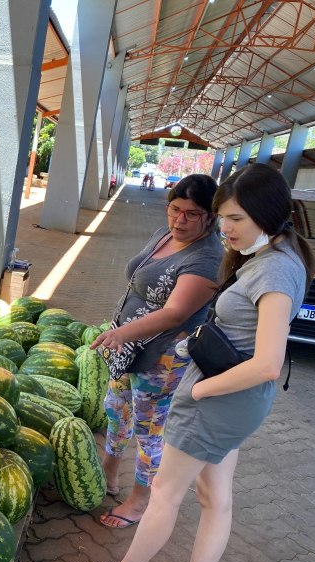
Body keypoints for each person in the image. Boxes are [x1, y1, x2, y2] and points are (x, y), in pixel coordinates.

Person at [75, 163, 314, 562]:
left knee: (165, 492)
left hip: (218, 399)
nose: (226, 228)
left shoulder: (275, 271)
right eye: (223, 217)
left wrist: (200, 390)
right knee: (213, 498)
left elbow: (267, 364)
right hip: (234, 401)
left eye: (236, 218)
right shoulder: (273, 258)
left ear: (269, 213)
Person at [89, 174, 223, 530]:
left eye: (191, 214)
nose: (179, 220)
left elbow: (175, 313)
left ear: (210, 217)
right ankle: (109, 472)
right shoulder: (166, 235)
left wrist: (121, 332)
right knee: (116, 411)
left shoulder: (209, 258)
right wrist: (122, 334)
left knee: (150, 430)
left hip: (161, 358)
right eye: (175, 209)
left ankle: (139, 500)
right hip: (128, 347)